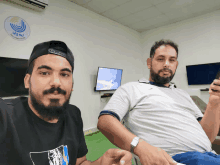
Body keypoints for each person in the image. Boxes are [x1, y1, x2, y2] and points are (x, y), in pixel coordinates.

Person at [0, 40, 132, 165]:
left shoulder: (73, 114)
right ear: (27, 81)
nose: (56, 82)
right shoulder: (6, 116)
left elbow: (79, 162)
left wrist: (100, 163)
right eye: (45, 73)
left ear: (72, 84)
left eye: (64, 74)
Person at [97, 39, 220, 165]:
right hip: (173, 160)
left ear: (176, 65)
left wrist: (214, 103)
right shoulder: (131, 88)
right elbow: (105, 121)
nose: (166, 64)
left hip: (210, 156)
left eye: (172, 60)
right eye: (161, 59)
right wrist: (139, 146)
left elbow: (207, 137)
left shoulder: (183, 95)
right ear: (149, 63)